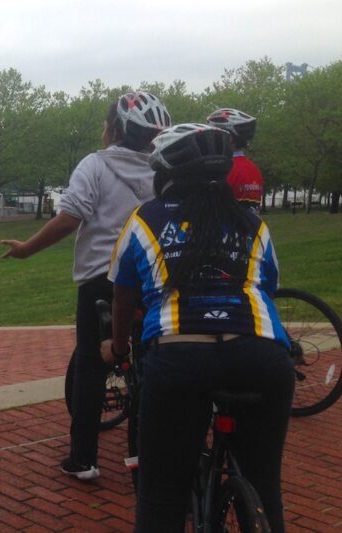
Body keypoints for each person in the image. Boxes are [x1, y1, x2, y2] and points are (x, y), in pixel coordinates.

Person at [106, 123, 293, 531]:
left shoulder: (146, 219)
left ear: (164, 177)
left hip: (179, 356)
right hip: (261, 354)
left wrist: (118, 349)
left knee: (161, 496)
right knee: (265, 485)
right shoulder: (252, 224)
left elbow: (123, 295)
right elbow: (269, 288)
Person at [1, 92, 171, 481]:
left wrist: (27, 249)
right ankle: (154, 451)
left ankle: (83, 459)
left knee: (92, 365)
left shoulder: (95, 164)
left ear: (114, 128)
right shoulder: (162, 172)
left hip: (101, 278)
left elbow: (69, 218)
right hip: (149, 279)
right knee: (151, 362)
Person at [207, 108, 263, 213]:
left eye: (215, 135)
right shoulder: (254, 169)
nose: (211, 139)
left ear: (230, 139)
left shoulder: (223, 169)